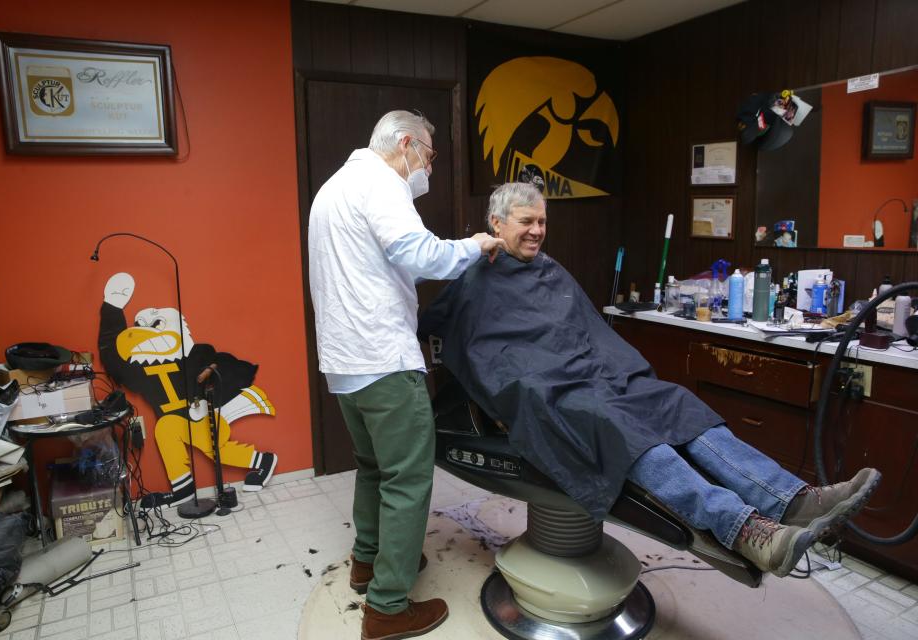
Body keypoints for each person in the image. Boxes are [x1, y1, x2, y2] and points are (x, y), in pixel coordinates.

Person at [418, 182, 880, 578]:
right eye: (526, 221)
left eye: (542, 221)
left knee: (674, 402)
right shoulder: (474, 281)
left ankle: (794, 501)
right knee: (625, 431)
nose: (537, 230)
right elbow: (475, 350)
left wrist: (612, 372)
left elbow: (586, 333)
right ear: (496, 224)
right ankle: (746, 530)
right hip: (549, 394)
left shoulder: (550, 270)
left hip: (596, 377)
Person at [308, 110, 506, 640]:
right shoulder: (382, 182)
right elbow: (419, 256)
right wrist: (477, 246)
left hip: (344, 364)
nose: (427, 169)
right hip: (383, 360)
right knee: (409, 479)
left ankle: (367, 562)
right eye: (429, 157)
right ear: (405, 143)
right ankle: (388, 607)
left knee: (374, 467)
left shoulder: (333, 189)